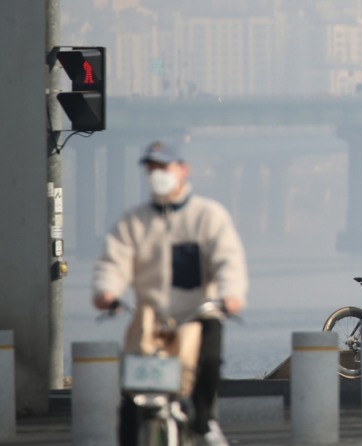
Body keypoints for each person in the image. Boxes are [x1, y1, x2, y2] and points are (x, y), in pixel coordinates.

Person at [92, 140, 249, 446]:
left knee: (210, 360)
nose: (157, 174)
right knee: (132, 395)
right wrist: (106, 291)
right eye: (152, 169)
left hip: (198, 311)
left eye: (164, 167)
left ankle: (204, 420)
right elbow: (114, 261)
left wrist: (231, 294)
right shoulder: (134, 220)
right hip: (151, 316)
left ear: (182, 170)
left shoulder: (208, 216)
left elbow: (228, 260)